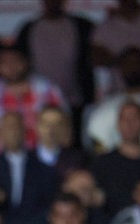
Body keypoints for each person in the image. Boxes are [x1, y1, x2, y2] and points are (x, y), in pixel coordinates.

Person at [14, 0, 95, 129]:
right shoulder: (28, 29)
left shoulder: (81, 26)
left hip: (75, 101)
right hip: (39, 102)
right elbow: (19, 62)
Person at [0, 46, 65, 153]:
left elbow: (64, 130)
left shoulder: (48, 90)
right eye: (4, 63)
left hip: (45, 160)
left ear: (26, 62)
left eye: (15, 61)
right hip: (2, 161)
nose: (10, 66)